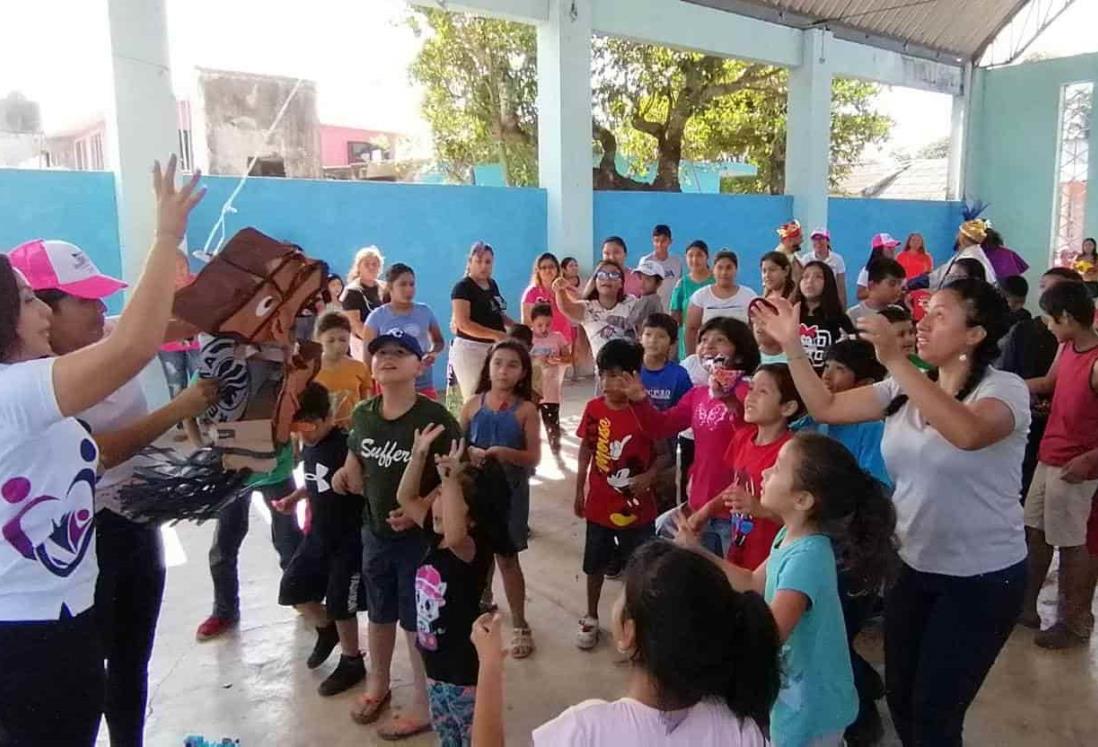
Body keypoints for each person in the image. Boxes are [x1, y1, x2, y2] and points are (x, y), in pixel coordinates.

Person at [754, 280, 1029, 746]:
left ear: (975, 335)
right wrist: (792, 347)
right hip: (911, 567)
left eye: (940, 315)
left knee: (936, 714)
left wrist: (897, 362)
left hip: (982, 578)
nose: (923, 323)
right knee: (902, 700)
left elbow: (967, 433)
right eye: (926, 311)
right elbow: (825, 405)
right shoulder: (900, 387)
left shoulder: (1005, 390)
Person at [0, 155, 203, 746]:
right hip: (28, 633)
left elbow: (151, 327)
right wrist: (166, 235)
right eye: (28, 299)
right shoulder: (18, 391)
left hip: (65, 612)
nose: (37, 309)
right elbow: (138, 343)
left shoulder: (34, 381)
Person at [469, 541, 780, 746]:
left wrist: (489, 665)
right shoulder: (740, 731)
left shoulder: (587, 729)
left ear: (629, 633)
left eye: (621, 597)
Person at [699, 432, 897, 747]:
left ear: (802, 500)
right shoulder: (789, 536)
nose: (764, 473)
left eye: (776, 469)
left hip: (812, 709)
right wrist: (696, 552)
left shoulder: (808, 557)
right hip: (797, 693)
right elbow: (752, 581)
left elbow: (769, 636)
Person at [334, 329, 462, 737]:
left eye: (399, 352)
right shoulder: (364, 414)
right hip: (374, 534)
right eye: (380, 353)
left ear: (419, 364)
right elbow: (356, 457)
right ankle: (379, 684)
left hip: (418, 542)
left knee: (415, 623)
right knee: (380, 613)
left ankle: (424, 705)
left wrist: (419, 511)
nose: (387, 358)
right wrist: (346, 473)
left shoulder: (435, 419)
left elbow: (456, 478)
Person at [396, 425, 506, 747]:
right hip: (435, 666)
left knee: (473, 738)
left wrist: (450, 480)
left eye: (443, 496)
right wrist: (418, 455)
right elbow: (405, 497)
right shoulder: (435, 537)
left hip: (465, 672)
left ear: (470, 516)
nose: (436, 500)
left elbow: (457, 534)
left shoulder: (469, 547)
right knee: (447, 738)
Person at [631, 318, 761, 557]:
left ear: (740, 355)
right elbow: (660, 427)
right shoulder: (697, 394)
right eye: (703, 340)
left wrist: (728, 396)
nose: (707, 345)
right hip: (697, 504)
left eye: (719, 340)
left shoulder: (751, 393)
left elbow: (751, 434)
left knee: (729, 583)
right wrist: (640, 400)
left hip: (733, 512)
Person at [273, 382, 366, 696]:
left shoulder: (345, 446)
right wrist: (296, 497)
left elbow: (363, 485)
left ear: (329, 418)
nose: (307, 434)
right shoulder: (309, 447)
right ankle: (327, 630)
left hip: (349, 540)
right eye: (300, 427)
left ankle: (352, 661)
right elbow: (316, 482)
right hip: (318, 535)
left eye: (312, 425)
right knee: (292, 589)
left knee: (342, 604)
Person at [574, 339, 668, 650]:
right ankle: (590, 616)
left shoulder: (646, 411)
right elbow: (586, 449)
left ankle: (635, 620)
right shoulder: (593, 408)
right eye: (604, 374)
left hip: (639, 510)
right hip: (599, 506)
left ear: (635, 376)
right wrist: (579, 489)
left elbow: (664, 454)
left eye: (618, 375)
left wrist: (648, 477)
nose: (609, 382)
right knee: (594, 565)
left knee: (639, 568)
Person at [1021, 281, 1098, 648]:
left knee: (1072, 543)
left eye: (1051, 320)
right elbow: (1050, 382)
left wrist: (1090, 458)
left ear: (1066, 317)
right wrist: (1007, 385)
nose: (1048, 327)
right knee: (1034, 529)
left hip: (1076, 464)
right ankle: (1026, 605)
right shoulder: (1066, 347)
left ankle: (1074, 619)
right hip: (1050, 454)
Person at [460, 340, 541, 659]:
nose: (503, 370)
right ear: (488, 367)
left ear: (522, 373)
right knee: (478, 553)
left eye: (512, 365)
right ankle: (482, 603)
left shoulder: (526, 410)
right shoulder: (472, 404)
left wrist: (502, 453)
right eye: (498, 363)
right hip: (475, 492)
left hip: (509, 494)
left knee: (507, 559)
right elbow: (458, 443)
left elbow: (533, 457)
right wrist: (468, 454)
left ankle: (520, 624)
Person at [999, 268, 1084, 497]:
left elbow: (1051, 384)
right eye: (1043, 286)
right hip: (1037, 432)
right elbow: (1040, 379)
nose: (1046, 294)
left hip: (1071, 442)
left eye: (1054, 290)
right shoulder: (1026, 331)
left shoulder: (1084, 349)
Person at [817, 339, 891, 489]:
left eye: (840, 369)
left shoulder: (872, 428)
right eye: (826, 366)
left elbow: (877, 488)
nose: (826, 375)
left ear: (865, 383)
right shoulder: (813, 418)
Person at [365, 263, 446, 399]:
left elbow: (439, 341)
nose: (409, 289)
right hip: (389, 386)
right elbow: (367, 359)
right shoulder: (377, 317)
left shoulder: (424, 311)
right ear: (390, 287)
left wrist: (432, 353)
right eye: (403, 284)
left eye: (412, 284)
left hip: (422, 383)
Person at [639, 313, 694, 511]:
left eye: (661, 336)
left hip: (667, 454)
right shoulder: (632, 370)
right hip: (633, 448)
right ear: (640, 336)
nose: (653, 340)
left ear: (673, 342)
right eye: (648, 334)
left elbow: (686, 413)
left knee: (662, 503)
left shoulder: (678, 375)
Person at [450, 242, 512, 401]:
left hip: (494, 349)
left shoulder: (492, 284)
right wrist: (496, 335)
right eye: (479, 261)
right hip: (470, 350)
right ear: (470, 262)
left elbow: (499, 313)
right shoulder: (462, 288)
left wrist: (516, 327)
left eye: (488, 262)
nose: (483, 266)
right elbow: (463, 323)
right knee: (475, 397)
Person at [554, 259, 638, 370]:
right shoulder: (588, 308)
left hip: (631, 372)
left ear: (621, 283)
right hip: (604, 376)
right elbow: (566, 307)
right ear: (595, 282)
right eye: (602, 275)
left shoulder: (631, 303)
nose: (607, 278)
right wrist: (560, 290)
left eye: (613, 275)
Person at [685, 250, 758, 355]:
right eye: (720, 267)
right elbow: (692, 329)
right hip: (708, 356)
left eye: (729, 267)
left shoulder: (749, 295)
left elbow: (755, 328)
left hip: (741, 356)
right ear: (713, 270)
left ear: (736, 270)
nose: (724, 272)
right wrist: (692, 358)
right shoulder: (701, 296)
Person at [311, 311, 372, 427]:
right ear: (319, 340)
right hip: (320, 431)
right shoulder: (309, 370)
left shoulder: (359, 368)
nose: (337, 345)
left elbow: (366, 405)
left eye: (343, 340)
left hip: (352, 431)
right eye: (331, 340)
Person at [793, 261, 855, 374]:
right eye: (805, 276)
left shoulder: (839, 318)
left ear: (828, 283)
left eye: (818, 277)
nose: (810, 281)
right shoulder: (791, 314)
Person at [157, 247, 200, 404]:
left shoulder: (198, 284)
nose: (181, 272)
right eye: (173, 270)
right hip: (168, 347)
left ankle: (204, 420)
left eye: (183, 267)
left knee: (201, 382)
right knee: (176, 385)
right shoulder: (158, 291)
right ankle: (182, 421)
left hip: (196, 343)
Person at [529, 303, 571, 454]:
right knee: (530, 424)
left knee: (552, 423)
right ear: (532, 322)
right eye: (539, 325)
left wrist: (558, 359)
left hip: (551, 391)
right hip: (533, 391)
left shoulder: (558, 337)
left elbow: (568, 358)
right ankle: (530, 450)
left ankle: (556, 449)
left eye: (547, 324)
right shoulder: (528, 338)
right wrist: (536, 359)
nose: (544, 328)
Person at [668, 240, 714, 359]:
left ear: (707, 257)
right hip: (689, 340)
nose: (694, 259)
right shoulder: (682, 284)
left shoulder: (716, 281)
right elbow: (675, 315)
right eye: (690, 255)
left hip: (714, 337)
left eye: (699, 255)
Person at [920, 219, 997, 290]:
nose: (956, 236)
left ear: (962, 238)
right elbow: (939, 274)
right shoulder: (969, 253)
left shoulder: (970, 258)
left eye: (958, 234)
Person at [341, 245, 386, 361]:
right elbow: (356, 324)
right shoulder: (352, 291)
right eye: (367, 264)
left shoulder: (385, 288)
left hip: (385, 343)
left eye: (375, 264)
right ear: (358, 267)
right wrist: (375, 344)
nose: (371, 267)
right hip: (361, 345)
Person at [521, 252, 574, 346]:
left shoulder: (564, 288)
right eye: (543, 267)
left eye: (551, 267)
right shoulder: (531, 292)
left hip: (564, 340)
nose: (548, 270)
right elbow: (526, 322)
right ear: (538, 271)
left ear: (557, 269)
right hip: (541, 343)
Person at [846, 257, 905, 324]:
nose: (898, 289)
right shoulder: (853, 315)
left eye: (900, 284)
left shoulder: (899, 312)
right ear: (872, 285)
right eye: (892, 284)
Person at [798, 228, 847, 307]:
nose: (818, 242)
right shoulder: (806, 258)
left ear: (827, 241)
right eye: (815, 239)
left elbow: (840, 285)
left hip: (830, 300)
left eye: (821, 239)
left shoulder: (837, 259)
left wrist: (842, 306)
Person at [640, 223, 683, 310]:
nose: (659, 244)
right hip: (651, 309)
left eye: (663, 241)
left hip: (670, 309)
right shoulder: (646, 261)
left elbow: (678, 288)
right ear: (652, 241)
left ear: (670, 241)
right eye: (656, 240)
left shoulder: (676, 262)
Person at [878, 304, 930, 372]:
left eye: (911, 332)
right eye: (900, 335)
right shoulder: (871, 372)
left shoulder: (930, 367)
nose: (910, 339)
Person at [855, 233, 900, 300]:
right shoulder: (867, 270)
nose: (893, 249)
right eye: (889, 247)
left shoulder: (896, 269)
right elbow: (860, 294)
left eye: (893, 247)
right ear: (879, 249)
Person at [627, 261, 666, 337]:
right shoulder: (643, 299)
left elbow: (636, 325)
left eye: (648, 279)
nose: (642, 283)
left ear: (658, 283)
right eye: (640, 278)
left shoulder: (651, 301)